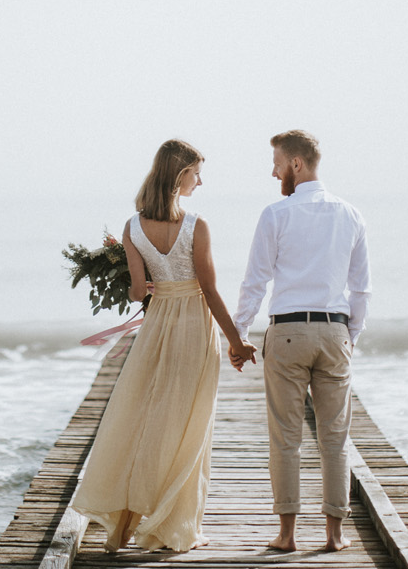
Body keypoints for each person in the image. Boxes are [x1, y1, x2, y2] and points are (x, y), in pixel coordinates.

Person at [71, 139, 257, 552]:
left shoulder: (132, 226)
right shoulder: (196, 226)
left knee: (145, 420)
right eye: (195, 172)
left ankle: (123, 524)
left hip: (156, 329)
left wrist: (149, 284)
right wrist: (236, 341)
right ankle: (167, 522)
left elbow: (139, 293)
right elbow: (209, 290)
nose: (200, 181)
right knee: (185, 426)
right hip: (193, 326)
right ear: (179, 176)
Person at [232, 129, 372, 552]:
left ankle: (287, 536)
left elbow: (255, 282)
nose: (274, 173)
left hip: (288, 332)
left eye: (277, 164)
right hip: (334, 331)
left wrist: (239, 334)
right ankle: (335, 535)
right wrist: (349, 337)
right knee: (335, 438)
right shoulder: (350, 214)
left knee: (285, 437)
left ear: (296, 164)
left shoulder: (276, 215)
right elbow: (361, 289)